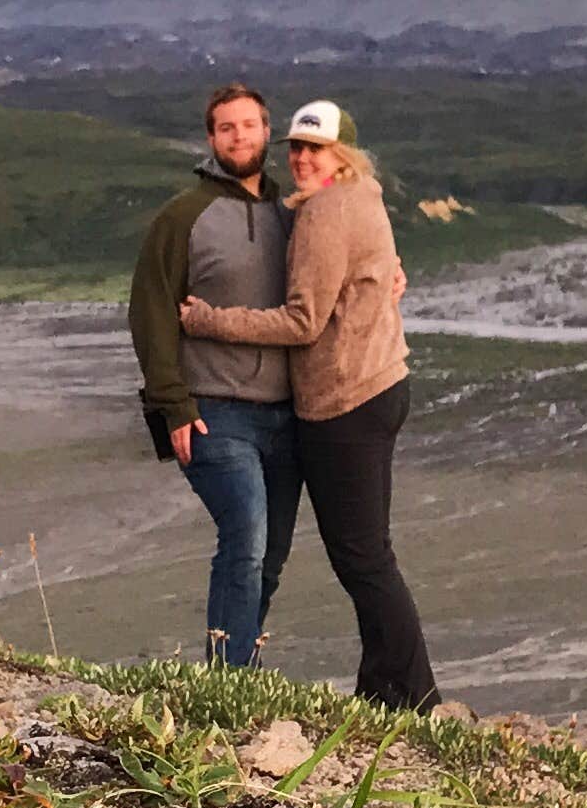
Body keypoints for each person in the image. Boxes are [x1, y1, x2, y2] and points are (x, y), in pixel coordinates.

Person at [182, 99, 434, 710]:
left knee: (362, 558)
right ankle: (381, 690)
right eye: (294, 146)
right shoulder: (363, 198)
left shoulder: (325, 211)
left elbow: (302, 321)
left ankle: (417, 693)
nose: (300, 157)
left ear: (340, 155)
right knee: (366, 553)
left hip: (346, 400)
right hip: (379, 386)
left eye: (314, 148)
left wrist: (209, 319)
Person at [129, 82, 301, 666]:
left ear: (266, 131)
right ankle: (225, 683)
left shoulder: (291, 213)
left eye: (249, 125)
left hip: (289, 414)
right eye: (226, 127)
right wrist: (172, 405)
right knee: (246, 536)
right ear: (211, 138)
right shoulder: (183, 217)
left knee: (271, 554)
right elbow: (149, 311)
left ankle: (241, 669)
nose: (239, 136)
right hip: (214, 412)